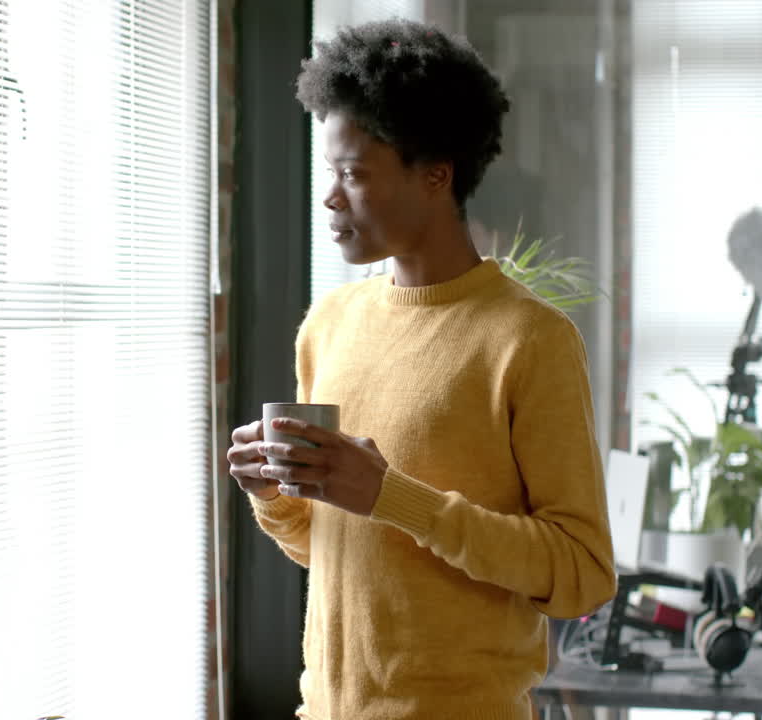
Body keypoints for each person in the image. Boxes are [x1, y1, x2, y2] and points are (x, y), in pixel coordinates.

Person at [226, 18, 616, 720]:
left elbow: (582, 575)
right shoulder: (328, 327)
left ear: (436, 174)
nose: (331, 198)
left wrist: (394, 497)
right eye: (329, 173)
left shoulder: (530, 340)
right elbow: (344, 557)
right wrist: (273, 496)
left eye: (354, 174)